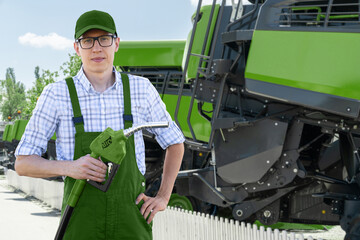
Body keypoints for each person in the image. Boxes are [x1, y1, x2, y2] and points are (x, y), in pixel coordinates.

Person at [14, 10, 185, 239]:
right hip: (80, 220)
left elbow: (175, 142)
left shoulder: (140, 90)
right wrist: (70, 167)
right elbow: (23, 163)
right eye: (87, 41)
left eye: (104, 39)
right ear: (77, 48)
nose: (96, 48)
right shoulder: (57, 94)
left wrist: (163, 196)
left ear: (116, 44)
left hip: (131, 222)